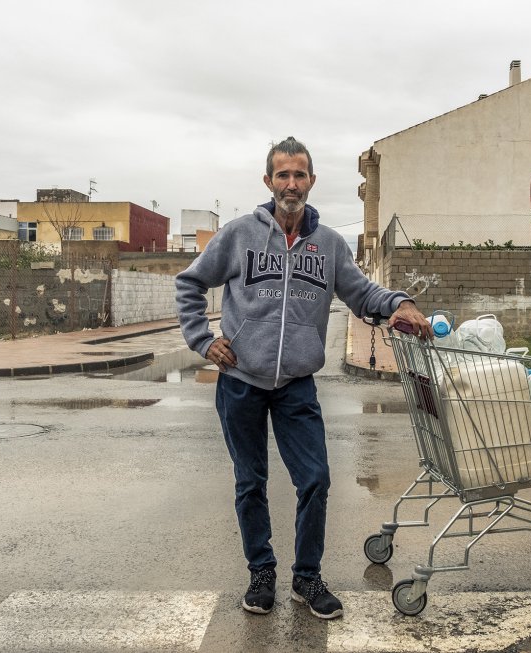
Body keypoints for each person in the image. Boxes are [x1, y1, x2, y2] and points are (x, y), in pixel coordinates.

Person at [175, 137, 431, 620]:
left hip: (296, 386)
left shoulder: (328, 245)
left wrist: (399, 303)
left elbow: (362, 293)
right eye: (282, 175)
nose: (291, 184)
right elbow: (189, 282)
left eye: (299, 175)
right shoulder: (237, 235)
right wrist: (204, 340)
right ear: (268, 182)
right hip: (240, 381)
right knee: (250, 482)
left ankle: (307, 578)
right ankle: (262, 573)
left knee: (315, 480)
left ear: (311, 181)